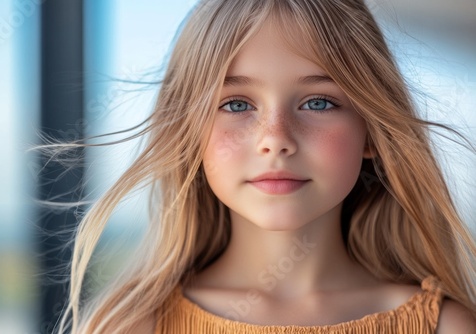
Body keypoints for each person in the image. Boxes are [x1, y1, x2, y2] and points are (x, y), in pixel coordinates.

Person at [56, 0, 476, 333]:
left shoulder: (444, 326)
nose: (275, 138)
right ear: (189, 131)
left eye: (318, 102)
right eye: (236, 104)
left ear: (371, 131)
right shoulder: (134, 326)